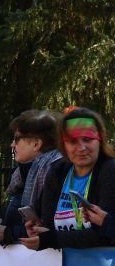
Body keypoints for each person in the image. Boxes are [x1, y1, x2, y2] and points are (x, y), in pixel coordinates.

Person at [21, 107, 115, 251]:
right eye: (72, 141)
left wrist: (51, 239)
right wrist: (37, 229)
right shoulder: (57, 171)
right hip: (58, 263)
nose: (81, 148)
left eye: (88, 139)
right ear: (63, 144)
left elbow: (104, 235)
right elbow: (47, 225)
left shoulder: (110, 170)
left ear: (100, 140)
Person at [0, 110, 62, 248]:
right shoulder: (22, 174)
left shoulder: (54, 173)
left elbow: (47, 228)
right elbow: (11, 216)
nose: (12, 145)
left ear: (36, 144)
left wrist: (7, 233)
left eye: (17, 139)